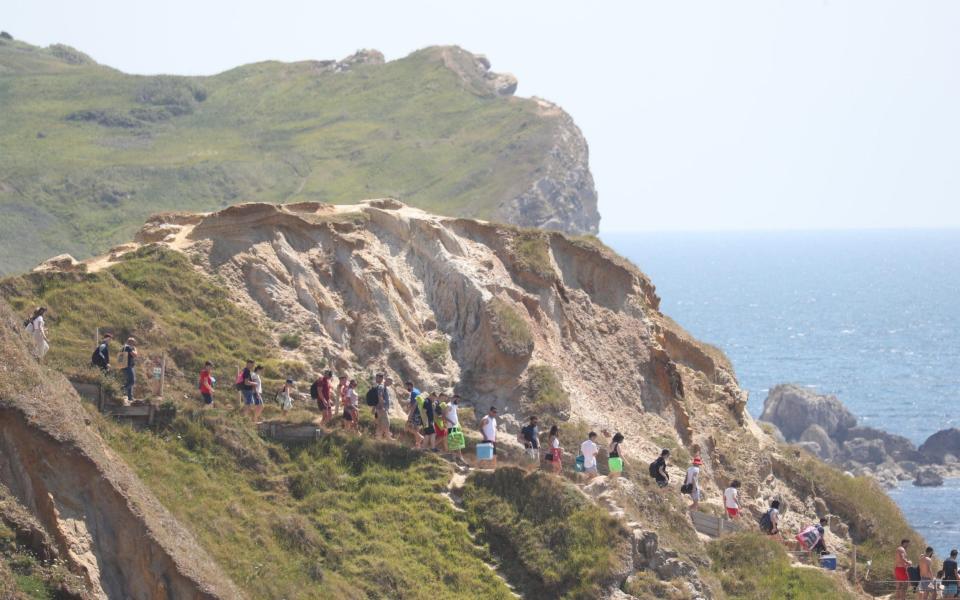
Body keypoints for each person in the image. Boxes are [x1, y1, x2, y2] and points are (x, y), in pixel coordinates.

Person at [119, 337, 139, 405]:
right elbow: (135, 355)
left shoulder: (124, 347)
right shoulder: (127, 347)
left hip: (126, 366)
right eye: (134, 343)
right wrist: (135, 350)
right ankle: (121, 390)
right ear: (131, 342)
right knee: (132, 381)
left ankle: (130, 397)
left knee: (129, 381)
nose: (134, 345)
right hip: (127, 366)